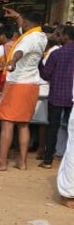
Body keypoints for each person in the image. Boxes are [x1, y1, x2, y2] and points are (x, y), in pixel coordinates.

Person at [0, 7, 47, 171]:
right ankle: (22, 162)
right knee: (23, 125)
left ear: (28, 23)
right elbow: (23, 32)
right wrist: (17, 15)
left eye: (22, 21)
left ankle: (2, 162)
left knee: (7, 123)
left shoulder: (29, 39)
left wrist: (13, 62)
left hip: (18, 84)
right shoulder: (40, 35)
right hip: (31, 84)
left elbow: (20, 52)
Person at [38, 24, 74, 167]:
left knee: (53, 128)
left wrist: (40, 62)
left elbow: (46, 74)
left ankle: (48, 160)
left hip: (57, 96)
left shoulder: (56, 54)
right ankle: (68, 160)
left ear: (66, 36)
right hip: (72, 97)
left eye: (61, 34)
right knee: (71, 129)